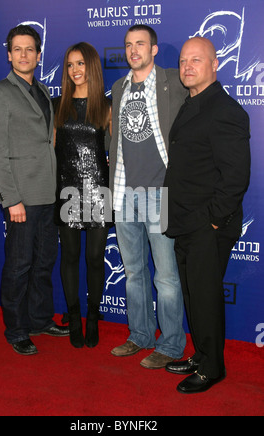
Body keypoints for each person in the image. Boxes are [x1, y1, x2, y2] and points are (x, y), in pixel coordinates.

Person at [164, 37, 251, 393]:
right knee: (192, 295)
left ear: (215, 64)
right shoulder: (191, 103)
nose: (187, 66)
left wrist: (211, 221)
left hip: (207, 225)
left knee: (206, 296)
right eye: (184, 60)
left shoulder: (227, 111)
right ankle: (201, 354)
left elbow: (235, 177)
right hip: (185, 220)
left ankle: (213, 368)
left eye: (196, 60)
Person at [0, 25, 69, 356]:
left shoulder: (43, 91)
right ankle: (17, 329)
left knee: (44, 260)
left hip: (48, 194)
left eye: (30, 49)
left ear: (38, 54)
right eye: (17, 49)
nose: (23, 55)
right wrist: (11, 197)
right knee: (19, 266)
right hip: (21, 197)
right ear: (9, 54)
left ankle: (39, 318)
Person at [109, 25, 188, 368]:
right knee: (134, 272)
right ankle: (140, 335)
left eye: (140, 44)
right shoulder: (119, 86)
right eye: (128, 45)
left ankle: (171, 345)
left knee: (166, 277)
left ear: (154, 49)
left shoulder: (174, 82)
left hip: (160, 194)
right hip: (125, 192)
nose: (133, 50)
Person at [53, 42, 112, 348]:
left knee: (94, 258)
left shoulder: (106, 105)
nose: (75, 70)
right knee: (71, 256)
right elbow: (49, 152)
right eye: (70, 65)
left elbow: (116, 155)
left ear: (92, 66)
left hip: (99, 191)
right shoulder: (56, 105)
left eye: (81, 64)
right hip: (66, 190)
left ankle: (93, 315)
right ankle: (74, 316)